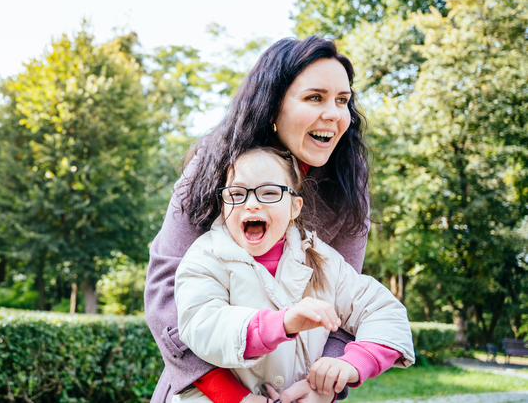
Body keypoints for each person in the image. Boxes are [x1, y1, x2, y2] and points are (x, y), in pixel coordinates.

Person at [145, 36, 373, 403]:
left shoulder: (348, 184)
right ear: (272, 106)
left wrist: (321, 386)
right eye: (315, 97)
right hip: (205, 393)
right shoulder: (213, 163)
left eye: (343, 101)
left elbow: (348, 305)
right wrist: (233, 396)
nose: (334, 113)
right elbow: (165, 294)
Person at [173, 146, 414, 402]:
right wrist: (282, 323)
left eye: (269, 193)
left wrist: (352, 364)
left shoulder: (322, 258)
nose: (251, 203)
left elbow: (383, 311)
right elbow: (202, 324)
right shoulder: (206, 255)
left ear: (294, 207)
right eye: (237, 193)